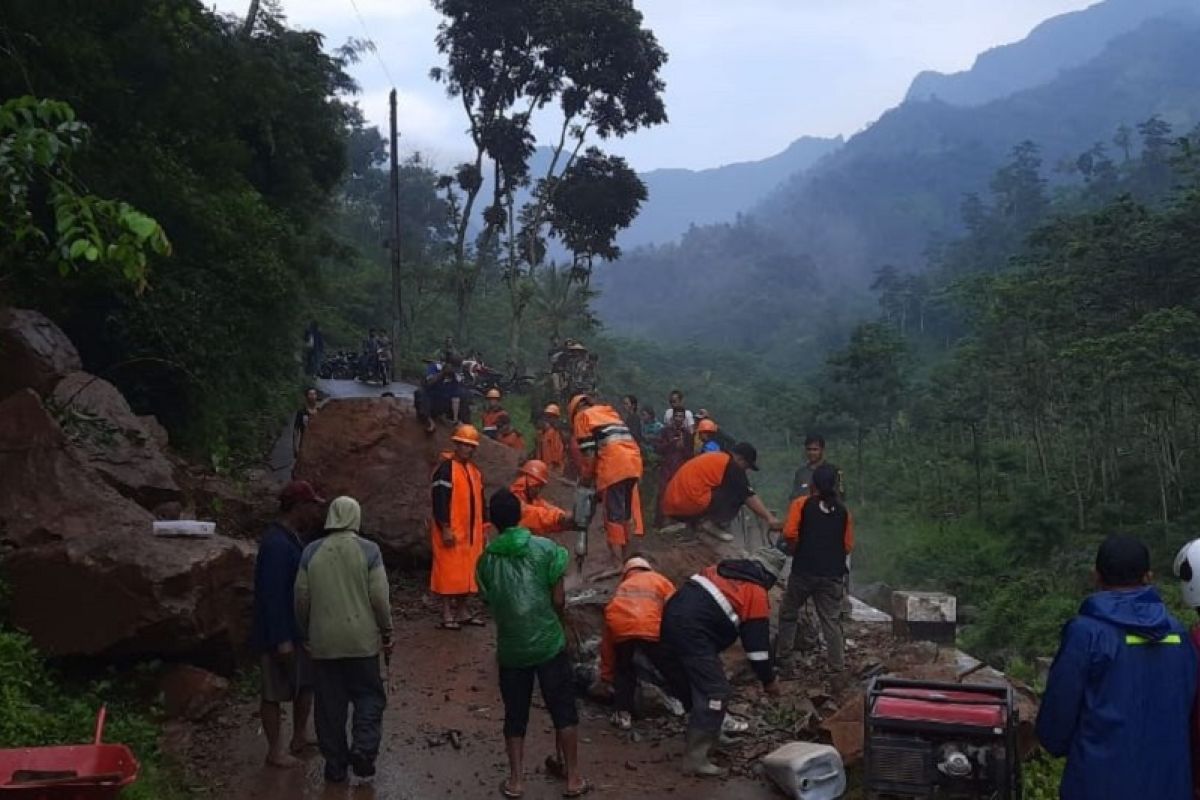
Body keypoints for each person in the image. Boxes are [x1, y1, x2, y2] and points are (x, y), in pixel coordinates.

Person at [1037, 534, 1196, 800]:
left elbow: (1057, 718)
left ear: (1096, 577)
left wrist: (1055, 744)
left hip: (1097, 785)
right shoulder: (1178, 634)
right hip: (1169, 785)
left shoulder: (1085, 634)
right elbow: (1189, 705)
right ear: (1148, 577)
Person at [475, 490, 590, 799]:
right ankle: (574, 777)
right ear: (520, 515)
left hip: (512, 648)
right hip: (549, 643)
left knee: (515, 713)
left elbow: (489, 600)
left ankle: (515, 781)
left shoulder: (486, 560)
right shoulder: (546, 549)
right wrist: (558, 620)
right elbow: (558, 598)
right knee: (563, 708)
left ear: (494, 522)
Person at [659, 547, 786, 777]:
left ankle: (712, 736)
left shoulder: (718, 570)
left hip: (669, 622)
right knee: (715, 693)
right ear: (768, 577)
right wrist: (769, 680)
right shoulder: (754, 592)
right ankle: (695, 759)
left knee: (698, 686)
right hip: (692, 632)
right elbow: (757, 648)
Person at [294, 496, 393, 785]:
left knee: (329, 706)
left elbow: (301, 598)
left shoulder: (311, 552)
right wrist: (387, 631)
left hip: (324, 644)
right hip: (362, 643)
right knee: (369, 696)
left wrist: (305, 633)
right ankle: (363, 748)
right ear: (356, 517)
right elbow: (380, 598)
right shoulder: (369, 551)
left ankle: (335, 765)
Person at [252, 481, 325, 768]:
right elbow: (271, 596)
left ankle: (299, 737)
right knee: (273, 692)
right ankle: (274, 750)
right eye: (311, 506)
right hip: (278, 633)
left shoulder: (292, 538)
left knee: (305, 684)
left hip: (298, 631)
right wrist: (281, 638)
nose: (315, 513)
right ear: (298, 507)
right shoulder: (276, 544)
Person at [776, 464, 854, 674]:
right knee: (831, 621)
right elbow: (847, 546)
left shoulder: (801, 504)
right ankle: (837, 670)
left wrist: (796, 549)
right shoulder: (843, 511)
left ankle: (785, 662)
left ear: (813, 484)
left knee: (789, 612)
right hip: (832, 575)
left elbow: (790, 533)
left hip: (804, 571)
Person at [599, 557, 681, 731]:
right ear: (647, 568)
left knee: (624, 670)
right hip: (651, 628)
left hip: (622, 631)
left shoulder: (622, 588)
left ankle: (623, 714)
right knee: (671, 669)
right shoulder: (660, 580)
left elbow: (607, 639)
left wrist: (606, 675)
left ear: (627, 572)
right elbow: (677, 609)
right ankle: (691, 705)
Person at [569, 393, 644, 568]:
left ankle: (617, 564)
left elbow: (589, 455)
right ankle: (629, 559)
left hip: (614, 466)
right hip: (633, 463)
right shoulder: (608, 412)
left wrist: (586, 479)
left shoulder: (582, 417)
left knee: (613, 517)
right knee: (626, 515)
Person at [660, 444, 782, 542]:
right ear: (739, 458)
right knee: (737, 493)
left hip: (673, 507)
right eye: (746, 466)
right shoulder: (731, 465)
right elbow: (749, 496)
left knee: (713, 487)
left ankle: (692, 527)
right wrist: (769, 518)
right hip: (690, 503)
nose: (745, 470)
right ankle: (711, 523)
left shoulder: (716, 458)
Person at [429, 424, 487, 630]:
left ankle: (462, 610)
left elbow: (481, 500)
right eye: (464, 445)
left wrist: (484, 528)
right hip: (451, 531)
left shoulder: (474, 472)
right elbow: (439, 500)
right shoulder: (445, 470)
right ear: (456, 445)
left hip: (471, 535)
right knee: (447, 573)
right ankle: (447, 614)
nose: (468, 450)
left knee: (469, 574)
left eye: (471, 446)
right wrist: (444, 527)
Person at [509, 459, 572, 536]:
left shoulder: (532, 500)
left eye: (540, 487)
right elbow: (532, 513)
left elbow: (547, 508)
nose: (538, 490)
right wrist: (558, 517)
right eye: (536, 486)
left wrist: (564, 517)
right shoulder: (512, 500)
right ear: (525, 481)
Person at [654, 409, 693, 528]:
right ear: (673, 418)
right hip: (667, 467)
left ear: (684, 419)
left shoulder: (687, 434)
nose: (679, 419)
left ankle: (676, 522)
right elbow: (658, 448)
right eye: (677, 416)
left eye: (681, 416)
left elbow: (690, 454)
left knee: (678, 495)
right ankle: (659, 523)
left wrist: (682, 447)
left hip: (680, 468)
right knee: (663, 493)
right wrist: (672, 443)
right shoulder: (665, 431)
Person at [416, 354, 468, 433]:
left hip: (442, 403)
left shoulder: (455, 378)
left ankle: (458, 422)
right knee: (419, 392)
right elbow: (427, 384)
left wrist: (455, 419)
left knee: (463, 394)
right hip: (430, 400)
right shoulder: (435, 367)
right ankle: (428, 420)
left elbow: (455, 398)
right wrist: (442, 374)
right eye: (453, 368)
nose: (454, 371)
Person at [790, 434, 844, 499]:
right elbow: (795, 497)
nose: (811, 452)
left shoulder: (833, 471)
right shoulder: (800, 473)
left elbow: (840, 496)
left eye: (815, 449)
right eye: (809, 449)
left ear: (822, 450)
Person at [535, 404, 567, 472]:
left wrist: (553, 467)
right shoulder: (542, 434)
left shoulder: (555, 433)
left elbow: (558, 452)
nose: (548, 418)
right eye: (547, 416)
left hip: (553, 470)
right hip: (543, 468)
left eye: (551, 416)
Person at [292, 387, 320, 460]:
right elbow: (296, 429)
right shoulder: (302, 412)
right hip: (305, 443)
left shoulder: (320, 411)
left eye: (314, 394)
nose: (312, 396)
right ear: (307, 397)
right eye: (310, 394)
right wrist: (295, 446)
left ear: (317, 396)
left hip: (319, 445)